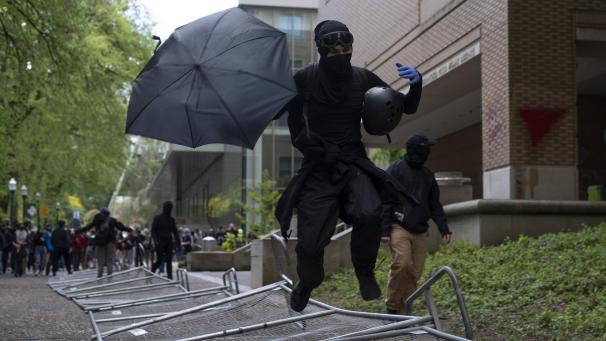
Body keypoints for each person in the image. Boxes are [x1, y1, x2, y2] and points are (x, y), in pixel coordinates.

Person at [275, 20, 422, 312]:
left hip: (354, 162)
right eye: (334, 50)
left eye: (346, 48)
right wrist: (314, 145)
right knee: (311, 243)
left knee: (369, 212)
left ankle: (364, 271)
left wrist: (416, 84)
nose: (341, 54)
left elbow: (405, 106)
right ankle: (307, 281)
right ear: (321, 51)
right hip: (318, 166)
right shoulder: (304, 79)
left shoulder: (362, 78)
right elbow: (284, 118)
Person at [382, 134, 452, 314]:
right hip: (399, 226)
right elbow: (385, 201)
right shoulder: (395, 170)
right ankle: (392, 306)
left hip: (420, 230)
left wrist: (444, 227)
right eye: (425, 148)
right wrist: (384, 230)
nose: (427, 152)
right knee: (402, 264)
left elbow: (434, 204)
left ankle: (405, 306)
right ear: (416, 150)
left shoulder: (428, 175)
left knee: (414, 272)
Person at [76, 208, 131, 277]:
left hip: (100, 242)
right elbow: (121, 227)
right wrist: (130, 230)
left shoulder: (97, 220)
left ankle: (99, 275)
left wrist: (76, 231)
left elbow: (87, 227)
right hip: (110, 242)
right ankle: (109, 275)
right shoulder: (112, 220)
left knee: (100, 260)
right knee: (110, 260)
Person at [150, 201, 180, 280]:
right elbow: (153, 231)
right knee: (160, 260)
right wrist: (155, 241)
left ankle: (170, 277)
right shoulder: (158, 218)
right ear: (164, 208)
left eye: (170, 208)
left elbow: (175, 232)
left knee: (169, 260)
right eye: (168, 208)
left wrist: (178, 243)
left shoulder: (171, 219)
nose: (169, 210)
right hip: (160, 242)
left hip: (168, 242)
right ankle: (152, 271)